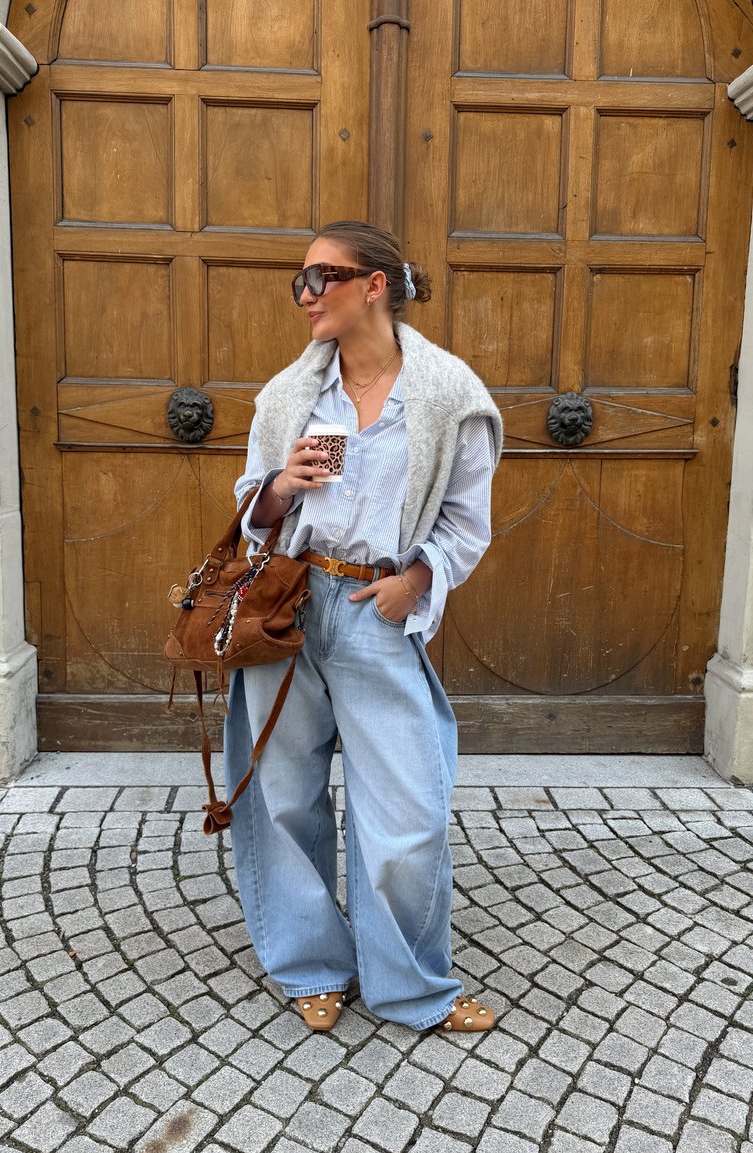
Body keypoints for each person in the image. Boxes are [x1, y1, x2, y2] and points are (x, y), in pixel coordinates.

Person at [223, 220, 503, 1033]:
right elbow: (251, 506)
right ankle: (311, 964)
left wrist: (413, 582)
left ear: (375, 284)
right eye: (299, 282)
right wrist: (279, 484)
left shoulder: (449, 398)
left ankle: (410, 985)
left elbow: (464, 524)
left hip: (376, 612)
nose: (305, 295)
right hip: (289, 608)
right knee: (283, 796)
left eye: (321, 278)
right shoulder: (292, 396)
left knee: (409, 811)